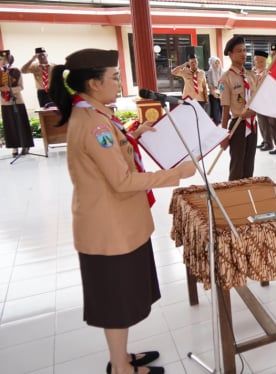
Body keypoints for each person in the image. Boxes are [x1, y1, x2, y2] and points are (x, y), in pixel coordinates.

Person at [49, 48, 197, 374]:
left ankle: (122, 356)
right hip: (109, 231)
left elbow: (112, 154)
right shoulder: (93, 125)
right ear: (93, 83)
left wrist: (133, 135)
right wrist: (177, 173)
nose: (118, 83)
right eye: (114, 78)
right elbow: (122, 179)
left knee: (121, 298)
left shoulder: (95, 114)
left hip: (116, 225)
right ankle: (120, 367)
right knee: (116, 303)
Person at [219, 36, 258, 181]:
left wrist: (256, 112)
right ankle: (234, 197)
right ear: (230, 54)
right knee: (237, 166)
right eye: (239, 51)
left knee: (249, 165)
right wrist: (223, 135)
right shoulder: (225, 78)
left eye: (245, 50)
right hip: (238, 125)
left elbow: (257, 101)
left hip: (253, 124)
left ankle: (247, 196)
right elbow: (225, 108)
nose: (243, 54)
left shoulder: (251, 76)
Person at [1, 49, 34, 157]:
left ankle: (26, 145)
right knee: (10, 125)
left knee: (21, 123)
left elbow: (21, 87)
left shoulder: (16, 71)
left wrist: (9, 89)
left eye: (2, 59)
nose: (1, 61)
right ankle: (14, 148)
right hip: (5, 103)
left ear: (8, 61)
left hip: (17, 102)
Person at [252, 50, 273, 151]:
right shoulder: (253, 72)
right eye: (256, 60)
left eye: (261, 61)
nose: (258, 63)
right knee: (261, 122)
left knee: (268, 123)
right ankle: (265, 140)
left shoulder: (268, 73)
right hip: (257, 102)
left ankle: (270, 143)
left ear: (265, 62)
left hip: (267, 101)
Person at [206, 56, 223, 125]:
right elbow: (210, 84)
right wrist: (214, 93)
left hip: (222, 92)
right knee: (216, 110)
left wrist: (221, 92)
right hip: (213, 93)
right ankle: (217, 123)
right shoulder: (210, 72)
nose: (217, 64)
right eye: (215, 63)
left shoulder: (222, 71)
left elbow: (223, 82)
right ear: (212, 63)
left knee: (223, 109)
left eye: (218, 63)